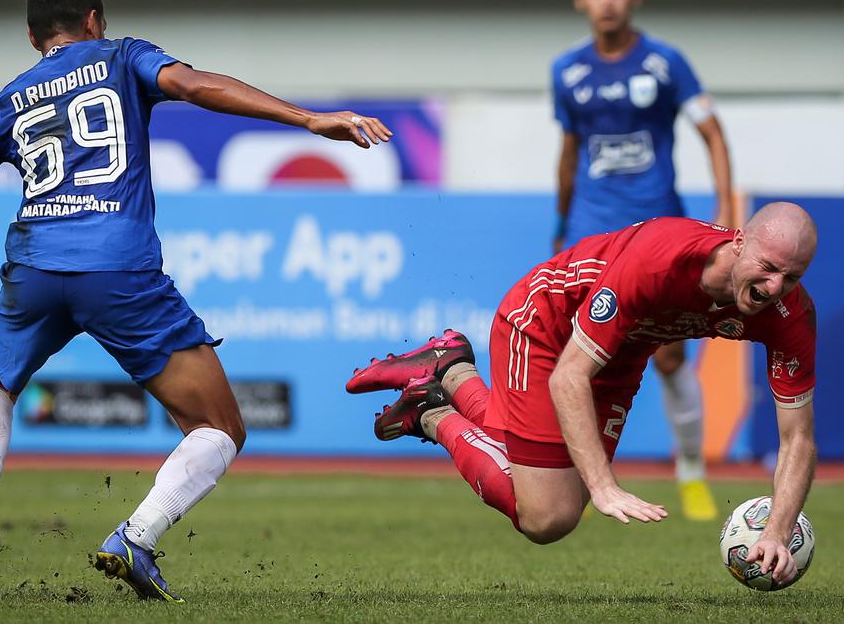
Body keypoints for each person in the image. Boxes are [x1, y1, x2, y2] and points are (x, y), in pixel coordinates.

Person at [0, 0, 392, 602]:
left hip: (33, 268)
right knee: (219, 426)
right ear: (94, 20)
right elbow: (198, 86)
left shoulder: (5, 101)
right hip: (117, 266)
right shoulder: (122, 57)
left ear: (33, 37)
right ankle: (135, 537)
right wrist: (307, 119)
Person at [347, 203, 817, 586]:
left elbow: (797, 439)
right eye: (768, 267)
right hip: (544, 326)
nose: (775, 287)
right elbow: (568, 377)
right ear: (738, 242)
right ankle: (430, 411)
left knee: (551, 498)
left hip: (620, 355)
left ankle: (449, 368)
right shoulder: (661, 259)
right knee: (546, 517)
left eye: (790, 277)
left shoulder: (789, 314)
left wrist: (777, 532)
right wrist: (603, 485)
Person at [551, 0, 737, 520]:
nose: (606, 0)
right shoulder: (567, 72)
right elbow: (570, 152)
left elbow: (713, 134)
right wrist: (561, 228)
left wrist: (726, 212)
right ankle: (572, 474)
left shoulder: (665, 63)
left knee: (671, 359)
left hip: (661, 232)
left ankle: (691, 471)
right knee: (575, 357)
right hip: (590, 231)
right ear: (581, 0)